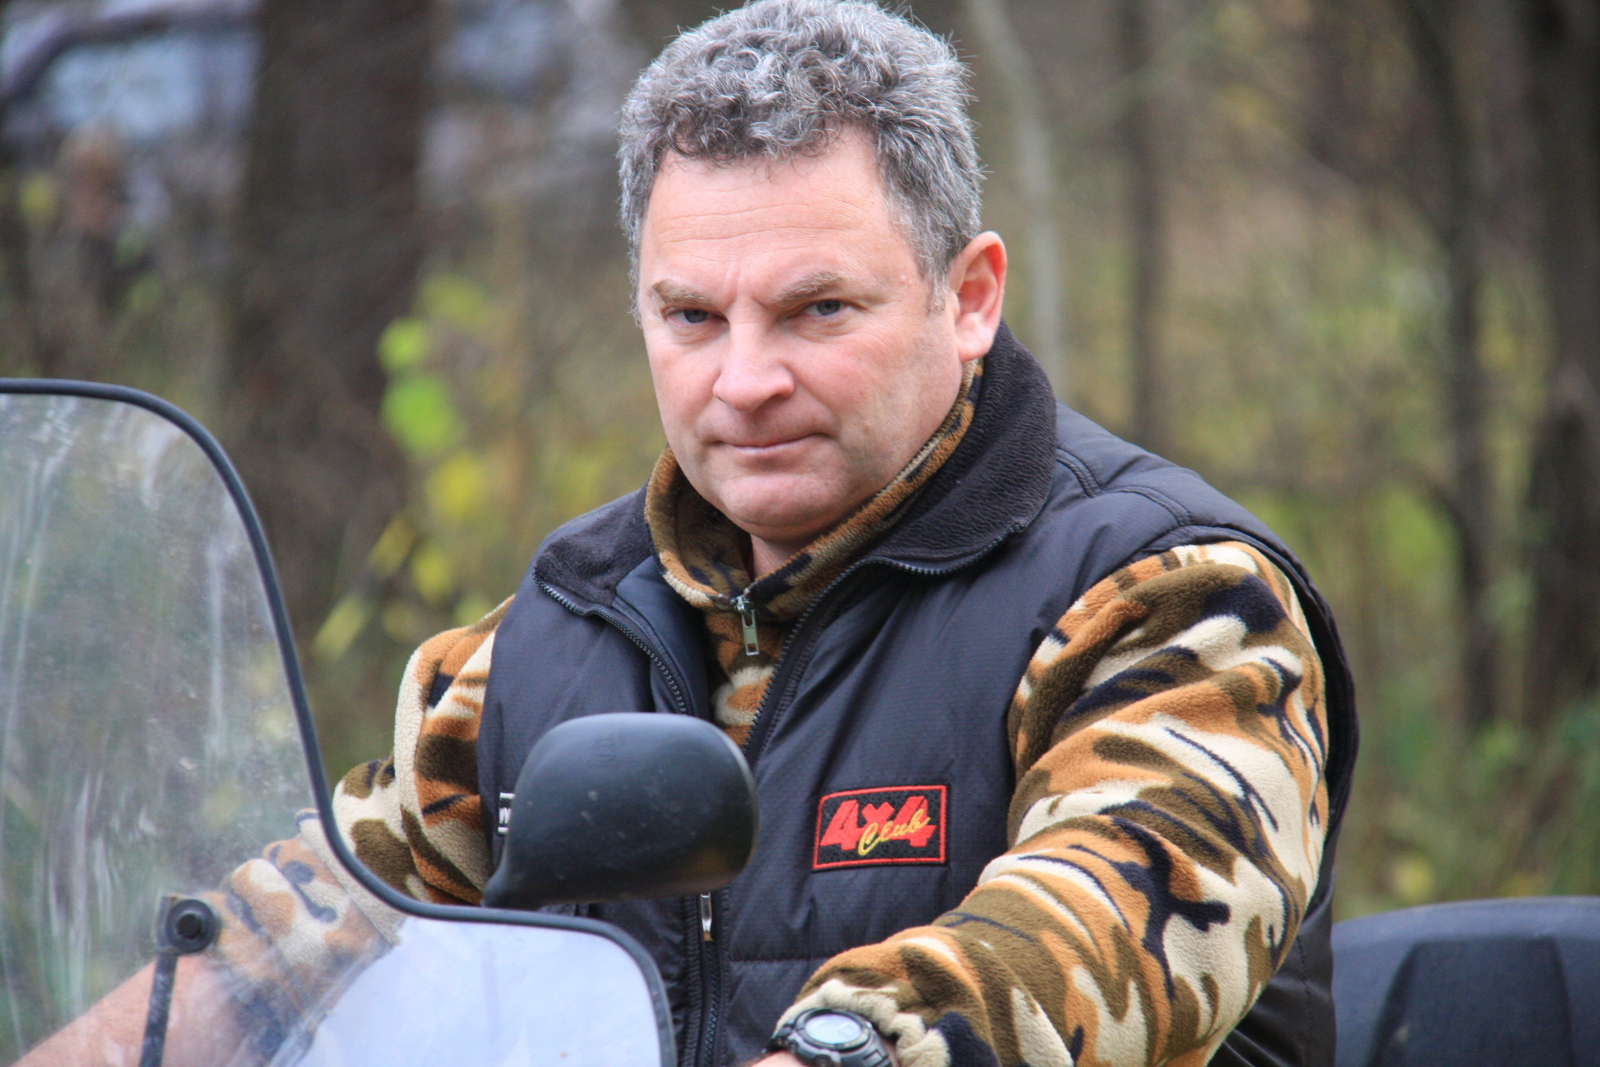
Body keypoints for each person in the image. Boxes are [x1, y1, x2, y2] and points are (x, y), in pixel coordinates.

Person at [21, 2, 1355, 1065]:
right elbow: (282, 937)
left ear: (968, 297)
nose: (745, 380)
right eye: (693, 318)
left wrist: (850, 1049)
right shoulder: (558, 635)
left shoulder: (1173, 599)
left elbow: (1098, 931)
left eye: (818, 310)